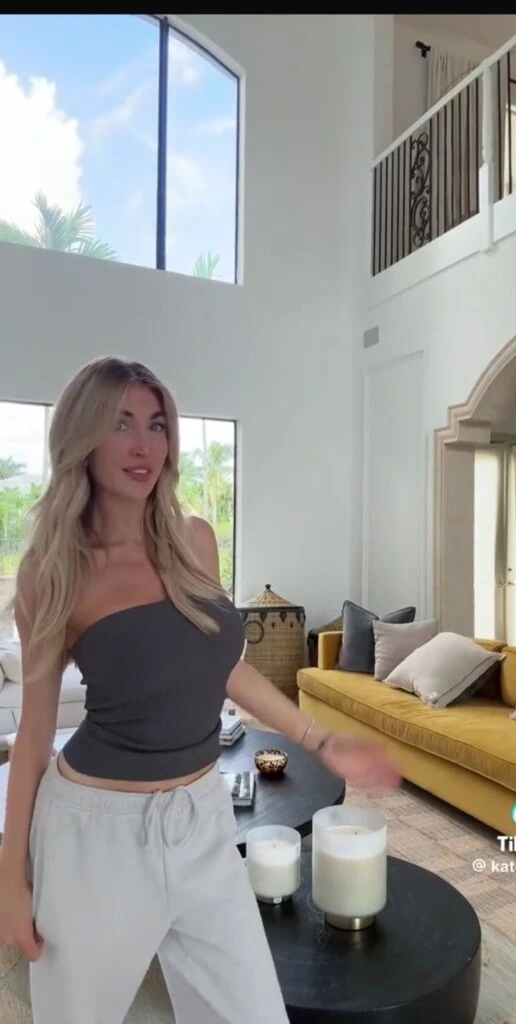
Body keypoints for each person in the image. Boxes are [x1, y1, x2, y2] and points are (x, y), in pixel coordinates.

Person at [0, 356, 400, 1024]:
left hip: (203, 819)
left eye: (156, 425)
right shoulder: (53, 570)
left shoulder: (193, 540)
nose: (143, 445)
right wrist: (11, 879)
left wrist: (320, 739)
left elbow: (218, 666)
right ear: (81, 438)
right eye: (120, 424)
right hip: (95, 834)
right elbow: (35, 736)